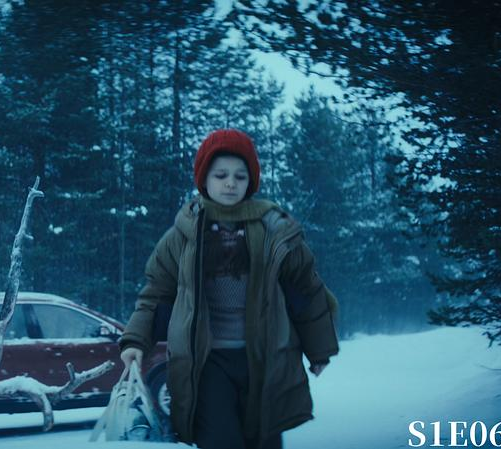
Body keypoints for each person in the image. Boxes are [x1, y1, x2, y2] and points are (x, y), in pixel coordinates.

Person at [118, 128, 339, 449]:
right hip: (206, 362)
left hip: (265, 357)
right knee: (220, 439)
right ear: (204, 179)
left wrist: (319, 349)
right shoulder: (183, 234)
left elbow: (307, 289)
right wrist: (136, 340)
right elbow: (156, 293)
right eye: (220, 175)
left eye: (239, 176)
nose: (230, 183)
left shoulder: (275, 230)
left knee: (263, 440)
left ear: (251, 181)